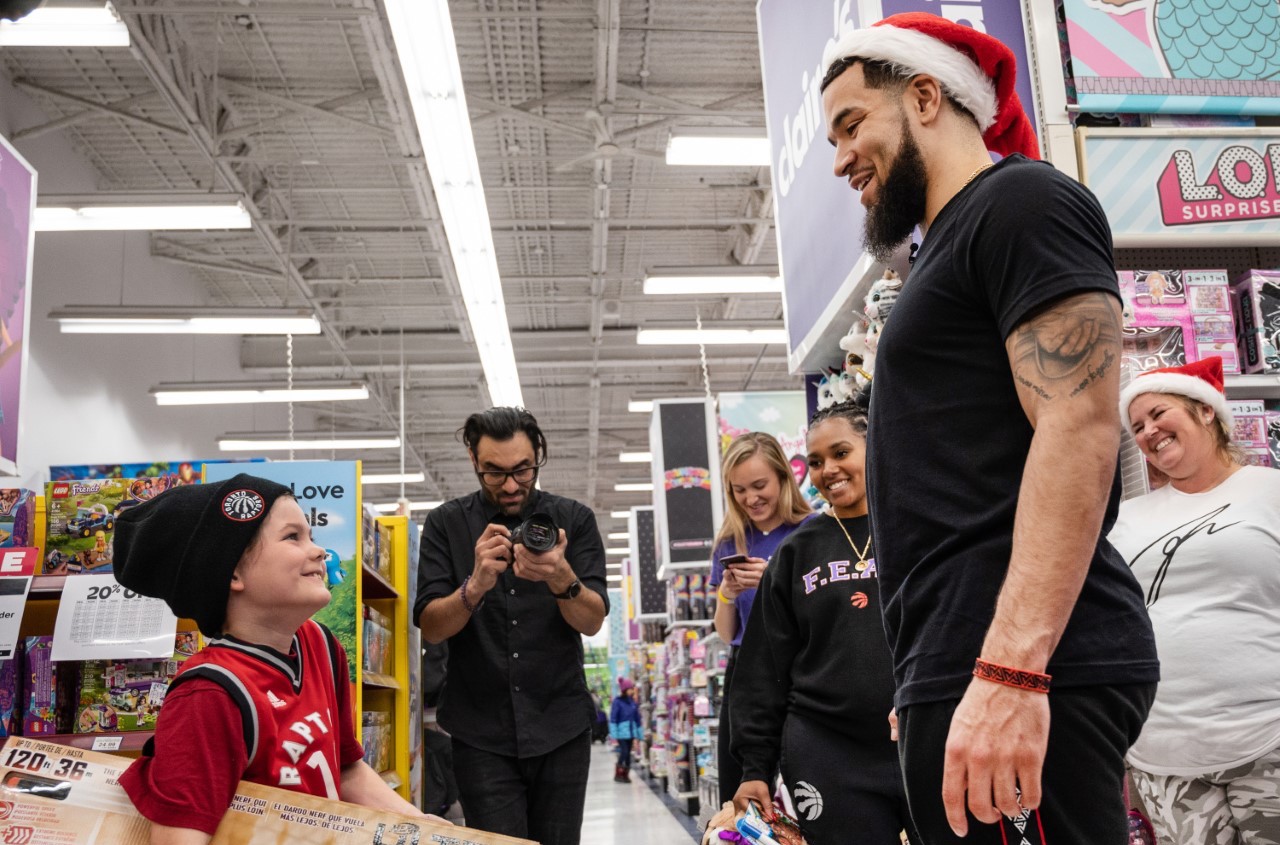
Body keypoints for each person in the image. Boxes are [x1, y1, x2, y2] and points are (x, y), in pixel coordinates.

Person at [819, 14, 1159, 844]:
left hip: (1025, 661)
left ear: (926, 96)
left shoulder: (1021, 200)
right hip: (965, 659)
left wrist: (1010, 668)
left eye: (852, 123)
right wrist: (921, 675)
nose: (839, 159)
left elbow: (1077, 426)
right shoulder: (940, 252)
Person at [111, 474, 431, 845]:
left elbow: (345, 770)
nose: (319, 552)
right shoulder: (209, 695)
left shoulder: (322, 647)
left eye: (310, 535)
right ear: (231, 571)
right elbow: (180, 838)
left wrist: (425, 825)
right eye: (292, 536)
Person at [414, 406, 608, 845]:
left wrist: (560, 575)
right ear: (473, 460)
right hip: (479, 732)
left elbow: (593, 620)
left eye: (523, 469)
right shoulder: (447, 525)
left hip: (561, 725)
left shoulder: (573, 520)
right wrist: (476, 583)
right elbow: (431, 627)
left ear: (538, 455)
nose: (511, 484)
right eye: (494, 472)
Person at [1109, 356, 1280, 845]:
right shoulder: (1125, 518)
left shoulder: (1270, 492)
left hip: (1268, 740)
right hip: (1163, 755)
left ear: (1205, 411)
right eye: (1137, 426)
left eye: (1158, 414)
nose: (1148, 432)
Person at [729, 400, 914, 844]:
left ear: (876, 447)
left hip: (926, 742)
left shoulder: (919, 528)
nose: (827, 469)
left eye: (840, 453)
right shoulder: (796, 553)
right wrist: (755, 766)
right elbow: (762, 667)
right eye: (814, 461)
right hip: (828, 753)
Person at [708, 431, 812, 804]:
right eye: (739, 490)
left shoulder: (811, 532)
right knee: (741, 788)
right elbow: (726, 633)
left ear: (784, 477)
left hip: (805, 669)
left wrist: (774, 579)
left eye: (759, 485)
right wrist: (728, 593)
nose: (751, 498)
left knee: (808, 784)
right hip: (746, 675)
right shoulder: (730, 541)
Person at [609, 678, 642, 784]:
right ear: (624, 690)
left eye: (632, 688)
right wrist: (614, 734)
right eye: (629, 689)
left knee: (628, 754)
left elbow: (637, 718)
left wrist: (639, 733)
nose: (632, 690)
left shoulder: (632, 702)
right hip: (621, 733)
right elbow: (613, 718)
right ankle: (618, 773)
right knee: (624, 752)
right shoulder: (617, 702)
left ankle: (626, 775)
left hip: (631, 732)